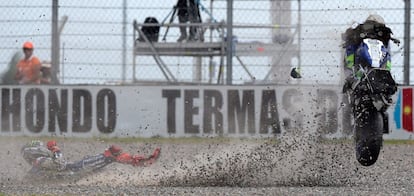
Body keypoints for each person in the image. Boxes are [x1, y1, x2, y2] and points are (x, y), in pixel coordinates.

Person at [21, 140, 161, 175]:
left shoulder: (36, 166)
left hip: (73, 171)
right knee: (111, 153)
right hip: (74, 171)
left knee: (111, 154)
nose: (45, 149)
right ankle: (142, 161)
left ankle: (141, 161)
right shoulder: (38, 161)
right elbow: (60, 165)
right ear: (34, 151)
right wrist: (56, 150)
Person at [342, 14, 399, 92]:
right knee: (350, 49)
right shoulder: (358, 31)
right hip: (356, 61)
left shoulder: (384, 36)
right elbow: (348, 37)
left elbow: (388, 43)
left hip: (378, 57)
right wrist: (350, 35)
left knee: (387, 52)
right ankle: (351, 75)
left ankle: (386, 71)